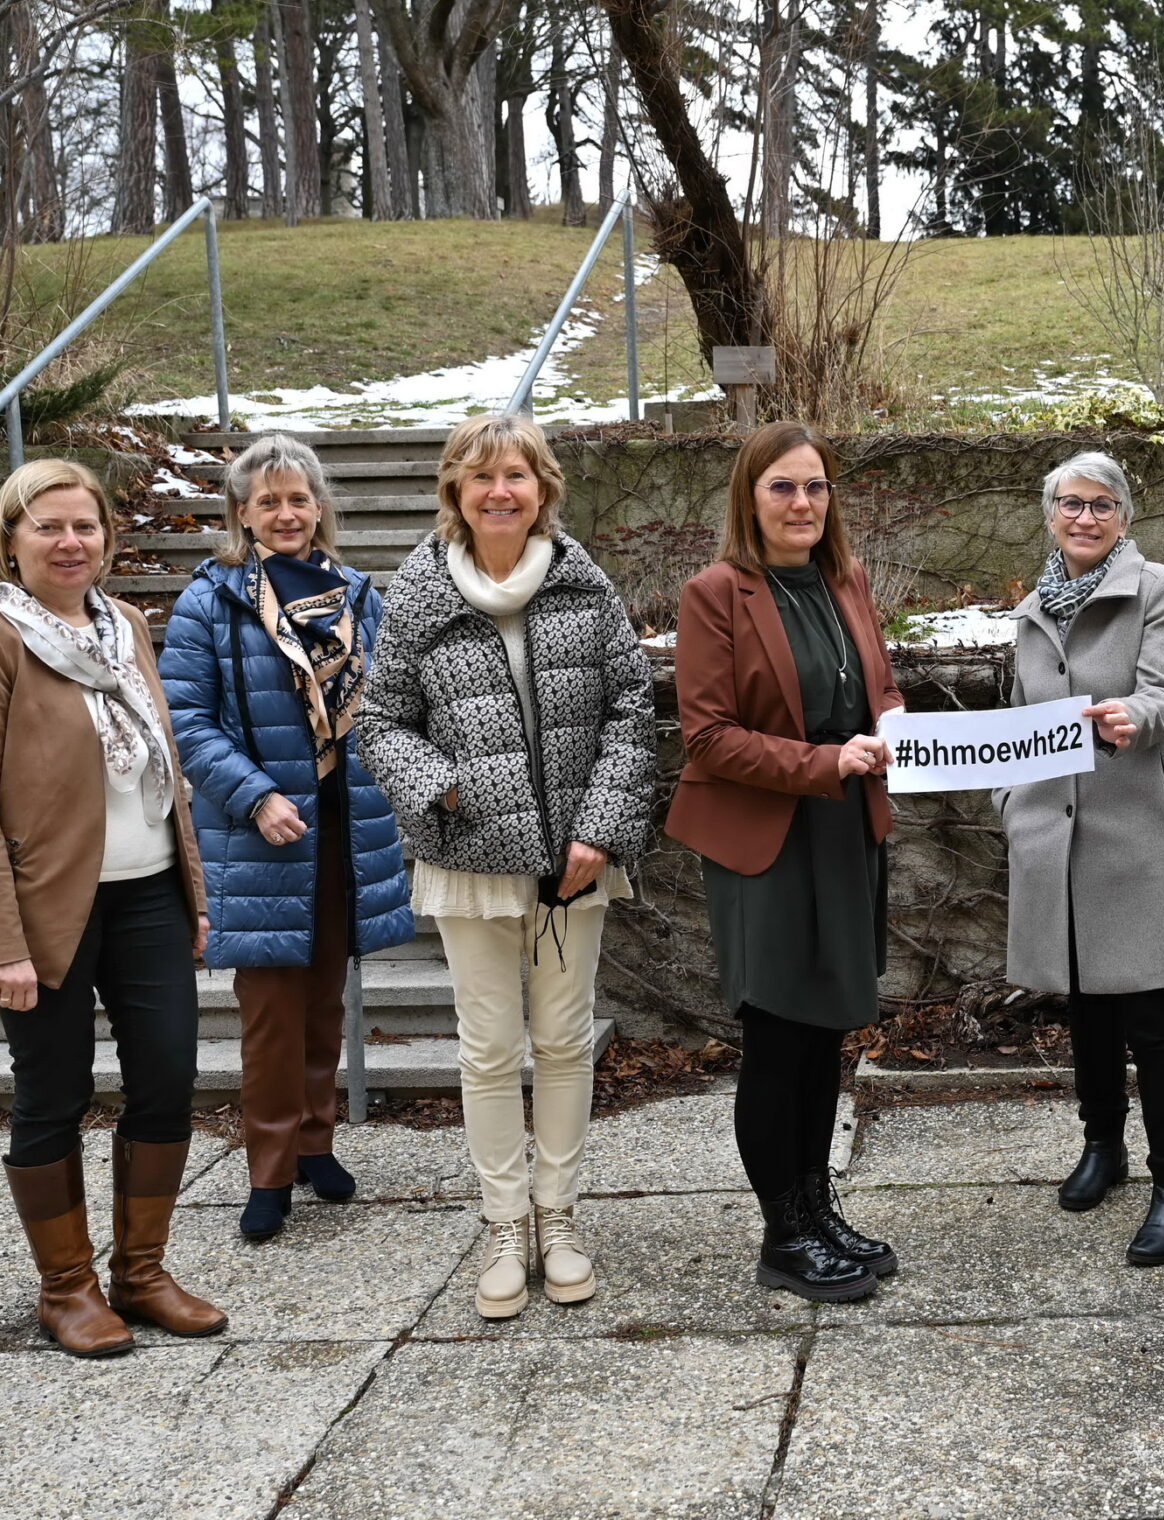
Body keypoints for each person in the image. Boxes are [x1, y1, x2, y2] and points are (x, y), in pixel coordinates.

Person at [354, 413, 656, 1321]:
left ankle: (558, 1220)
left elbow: (631, 712)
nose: (499, 492)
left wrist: (601, 829)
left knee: (564, 1042)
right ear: (455, 491)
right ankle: (501, 1223)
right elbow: (380, 722)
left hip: (574, 862)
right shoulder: (416, 593)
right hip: (469, 861)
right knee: (489, 1051)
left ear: (542, 489)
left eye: (516, 476)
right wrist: (445, 794)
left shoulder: (581, 583)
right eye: (481, 477)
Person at [0, 459, 228, 1357]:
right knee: (52, 1095)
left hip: (147, 898)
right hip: (44, 912)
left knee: (169, 1078)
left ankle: (142, 1273)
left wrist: (193, 895)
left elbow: (163, 768)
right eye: (48, 528)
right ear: (10, 540)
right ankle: (66, 1289)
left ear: (106, 536)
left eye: (85, 527)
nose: (70, 543)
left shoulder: (125, 624)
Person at [666, 420, 906, 1304]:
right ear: (751, 497)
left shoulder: (847, 582)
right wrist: (821, 762)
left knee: (826, 1034)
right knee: (777, 1037)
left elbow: (873, 688)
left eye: (815, 487)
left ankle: (815, 1208)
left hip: (845, 834)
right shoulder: (715, 594)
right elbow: (709, 736)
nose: (802, 503)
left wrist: (892, 719)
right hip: (765, 843)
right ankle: (782, 1236)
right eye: (783, 488)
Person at [162, 434, 414, 1241]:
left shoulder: (355, 595)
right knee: (271, 1012)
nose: (285, 513)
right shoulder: (212, 599)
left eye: (297, 498)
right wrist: (257, 794)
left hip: (344, 825)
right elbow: (187, 722)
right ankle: (267, 1170)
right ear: (242, 513)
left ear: (318, 508)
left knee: (323, 1004)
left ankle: (315, 1141)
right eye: (267, 501)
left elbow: (389, 700)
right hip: (264, 833)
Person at [997, 451, 1164, 1267]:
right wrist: (1010, 804)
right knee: (1084, 1007)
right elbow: (1018, 721)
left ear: (1124, 516)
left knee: (1153, 1021)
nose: (1085, 518)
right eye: (1070, 504)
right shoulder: (1030, 610)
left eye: (1101, 505)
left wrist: (1134, 714)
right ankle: (1103, 1146)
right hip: (1057, 835)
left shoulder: (1158, 589)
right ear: (1050, 513)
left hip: (1140, 837)